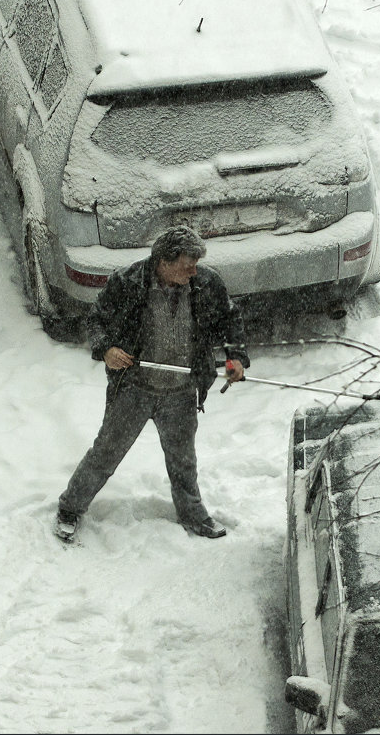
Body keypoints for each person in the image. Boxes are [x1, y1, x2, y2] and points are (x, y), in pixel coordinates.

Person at [54, 225, 248, 542]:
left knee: (183, 461)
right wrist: (107, 349)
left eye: (196, 265)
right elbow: (96, 319)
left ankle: (193, 515)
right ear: (164, 262)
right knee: (106, 454)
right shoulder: (126, 282)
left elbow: (230, 317)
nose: (194, 272)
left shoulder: (206, 282)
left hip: (181, 390)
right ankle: (70, 509)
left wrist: (235, 357)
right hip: (133, 388)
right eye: (187, 266)